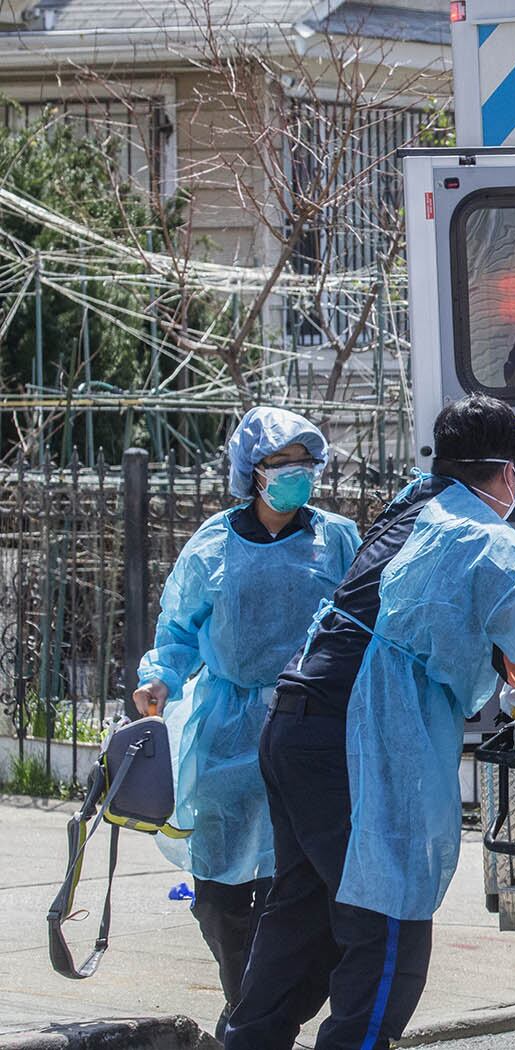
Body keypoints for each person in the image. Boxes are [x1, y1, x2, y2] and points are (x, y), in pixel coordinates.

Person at [223, 395, 515, 1050]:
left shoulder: (411, 511)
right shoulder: (483, 540)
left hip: (294, 726)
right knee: (388, 932)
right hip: (351, 739)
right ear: (507, 472)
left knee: (300, 923)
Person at [131, 408, 362, 1037]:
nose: (299, 476)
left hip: (312, 724)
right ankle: (247, 1005)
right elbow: (178, 630)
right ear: (251, 473)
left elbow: (363, 623)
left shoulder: (337, 539)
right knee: (222, 890)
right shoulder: (213, 542)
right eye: (283, 464)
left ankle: (270, 1014)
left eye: (306, 463)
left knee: (301, 880)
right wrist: (160, 680)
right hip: (228, 732)